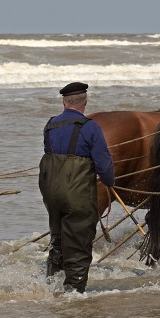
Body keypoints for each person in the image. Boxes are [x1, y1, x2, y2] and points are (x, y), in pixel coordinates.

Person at [39, 82, 115, 293]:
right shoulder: (90, 127)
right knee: (79, 245)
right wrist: (109, 181)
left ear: (64, 101)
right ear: (86, 102)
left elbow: (50, 154)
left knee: (58, 240)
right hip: (77, 195)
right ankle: (73, 295)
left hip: (51, 196)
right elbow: (104, 164)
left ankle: (51, 287)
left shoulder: (50, 124)